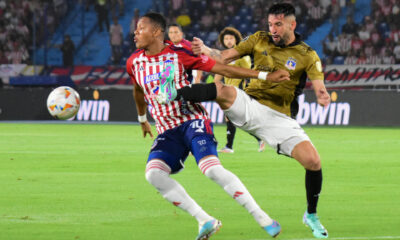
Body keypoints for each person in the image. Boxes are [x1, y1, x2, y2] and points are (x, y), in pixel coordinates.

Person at [158, 3, 330, 239]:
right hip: (249, 104)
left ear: (292, 24)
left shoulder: (307, 54)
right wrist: (205, 49)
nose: (273, 29)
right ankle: (175, 93)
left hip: (280, 119)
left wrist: (322, 93)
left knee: (313, 161)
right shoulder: (259, 39)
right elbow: (223, 57)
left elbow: (318, 82)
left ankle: (311, 214)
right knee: (223, 90)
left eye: (278, 24)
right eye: (270, 24)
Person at [127, 12, 289, 240]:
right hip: (167, 130)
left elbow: (222, 69)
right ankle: (205, 220)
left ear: (156, 32)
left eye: (140, 28)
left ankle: (262, 217)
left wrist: (264, 76)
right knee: (153, 174)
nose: (135, 33)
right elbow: (137, 90)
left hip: (192, 120)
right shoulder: (134, 62)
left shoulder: (178, 55)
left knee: (211, 169)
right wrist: (142, 119)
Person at [214, 27, 265, 153]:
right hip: (227, 91)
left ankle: (229, 147)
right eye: (226, 39)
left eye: (231, 38)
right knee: (234, 119)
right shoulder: (223, 56)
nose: (228, 41)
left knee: (233, 118)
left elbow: (248, 74)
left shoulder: (242, 56)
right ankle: (259, 137)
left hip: (239, 91)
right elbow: (218, 74)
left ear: (236, 39)